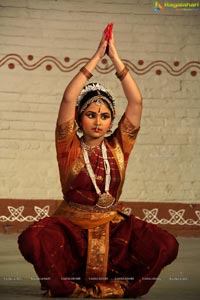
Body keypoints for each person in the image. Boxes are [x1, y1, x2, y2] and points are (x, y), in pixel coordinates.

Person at [18, 25, 179, 298]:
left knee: (166, 244)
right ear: (80, 118)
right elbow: (69, 98)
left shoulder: (119, 146)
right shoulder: (67, 147)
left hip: (112, 228)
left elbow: (136, 102)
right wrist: (96, 56)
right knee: (33, 238)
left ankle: (119, 285)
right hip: (73, 230)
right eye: (91, 114)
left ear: (111, 121)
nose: (98, 121)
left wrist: (115, 57)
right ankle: (71, 286)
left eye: (104, 116)